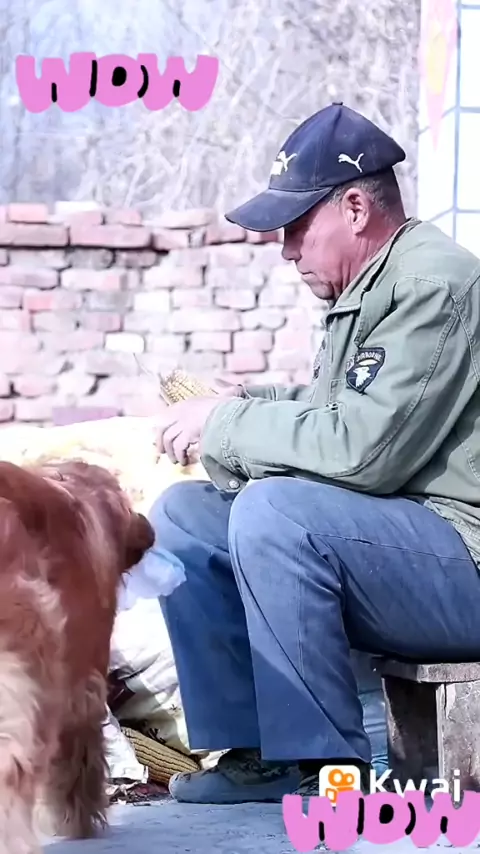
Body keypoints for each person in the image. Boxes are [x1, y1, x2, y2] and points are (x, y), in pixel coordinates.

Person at [150, 102, 480, 804]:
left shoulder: (433, 285)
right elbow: (344, 407)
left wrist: (227, 422)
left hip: (464, 562)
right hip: (410, 547)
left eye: (295, 226)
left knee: (277, 513)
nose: (286, 250)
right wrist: (247, 401)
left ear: (355, 208)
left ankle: (328, 770)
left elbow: (364, 452)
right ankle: (256, 755)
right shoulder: (376, 282)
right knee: (185, 518)